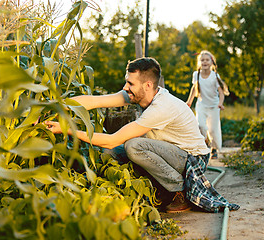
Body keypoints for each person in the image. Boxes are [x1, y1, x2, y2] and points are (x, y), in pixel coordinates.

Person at [45, 57, 239, 213]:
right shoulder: (137, 93)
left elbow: (113, 140)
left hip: (191, 158)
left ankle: (179, 191)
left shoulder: (161, 107)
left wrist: (66, 128)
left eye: (130, 82)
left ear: (147, 85)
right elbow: (94, 101)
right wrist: (53, 107)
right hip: (169, 151)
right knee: (107, 154)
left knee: (133, 146)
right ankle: (158, 187)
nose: (125, 87)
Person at [186, 50, 229, 159]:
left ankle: (214, 149)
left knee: (213, 130)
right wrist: (189, 101)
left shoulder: (215, 76)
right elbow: (194, 89)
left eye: (207, 60)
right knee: (200, 126)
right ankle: (205, 143)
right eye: (202, 60)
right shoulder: (196, 75)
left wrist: (220, 103)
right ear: (199, 62)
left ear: (211, 62)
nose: (204, 62)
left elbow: (221, 93)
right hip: (201, 105)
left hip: (214, 106)